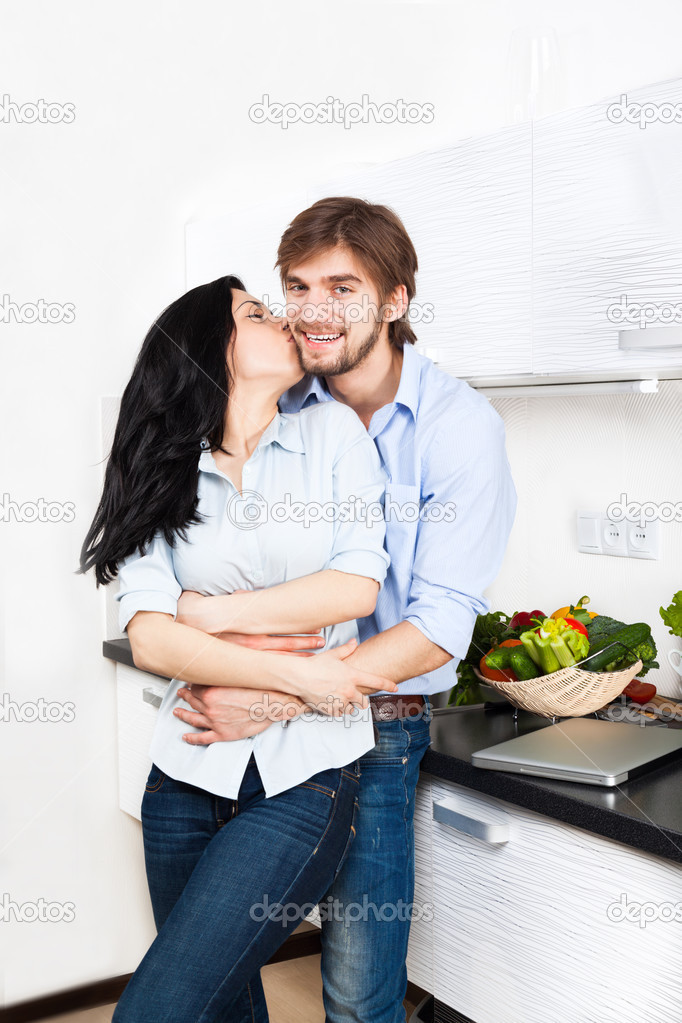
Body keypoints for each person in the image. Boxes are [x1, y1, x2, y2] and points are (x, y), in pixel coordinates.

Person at [172, 198, 518, 1023]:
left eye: (342, 286)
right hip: (249, 690)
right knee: (207, 957)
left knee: (360, 985)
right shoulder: (279, 401)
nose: (313, 309)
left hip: (382, 717)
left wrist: (272, 695)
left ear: (395, 300)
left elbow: (437, 625)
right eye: (296, 286)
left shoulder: (460, 429)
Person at [79, 273, 399, 1022]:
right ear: (205, 350)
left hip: (305, 776)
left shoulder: (334, 435)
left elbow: (355, 585)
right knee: (218, 1008)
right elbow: (151, 633)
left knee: (153, 1011)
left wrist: (208, 616)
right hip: (182, 776)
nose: (283, 316)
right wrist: (289, 671)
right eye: (256, 311)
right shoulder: (160, 470)